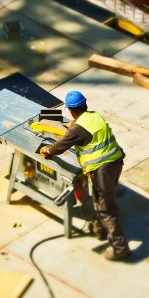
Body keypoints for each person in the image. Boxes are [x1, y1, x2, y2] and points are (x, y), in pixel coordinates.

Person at [39, 91, 132, 261]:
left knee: (106, 208)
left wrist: (47, 150)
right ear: (85, 105)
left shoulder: (77, 129)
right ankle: (100, 228)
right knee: (101, 198)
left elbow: (59, 147)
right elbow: (86, 128)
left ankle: (121, 248)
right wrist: (74, 125)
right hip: (116, 162)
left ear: (71, 110)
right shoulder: (94, 116)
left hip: (102, 170)